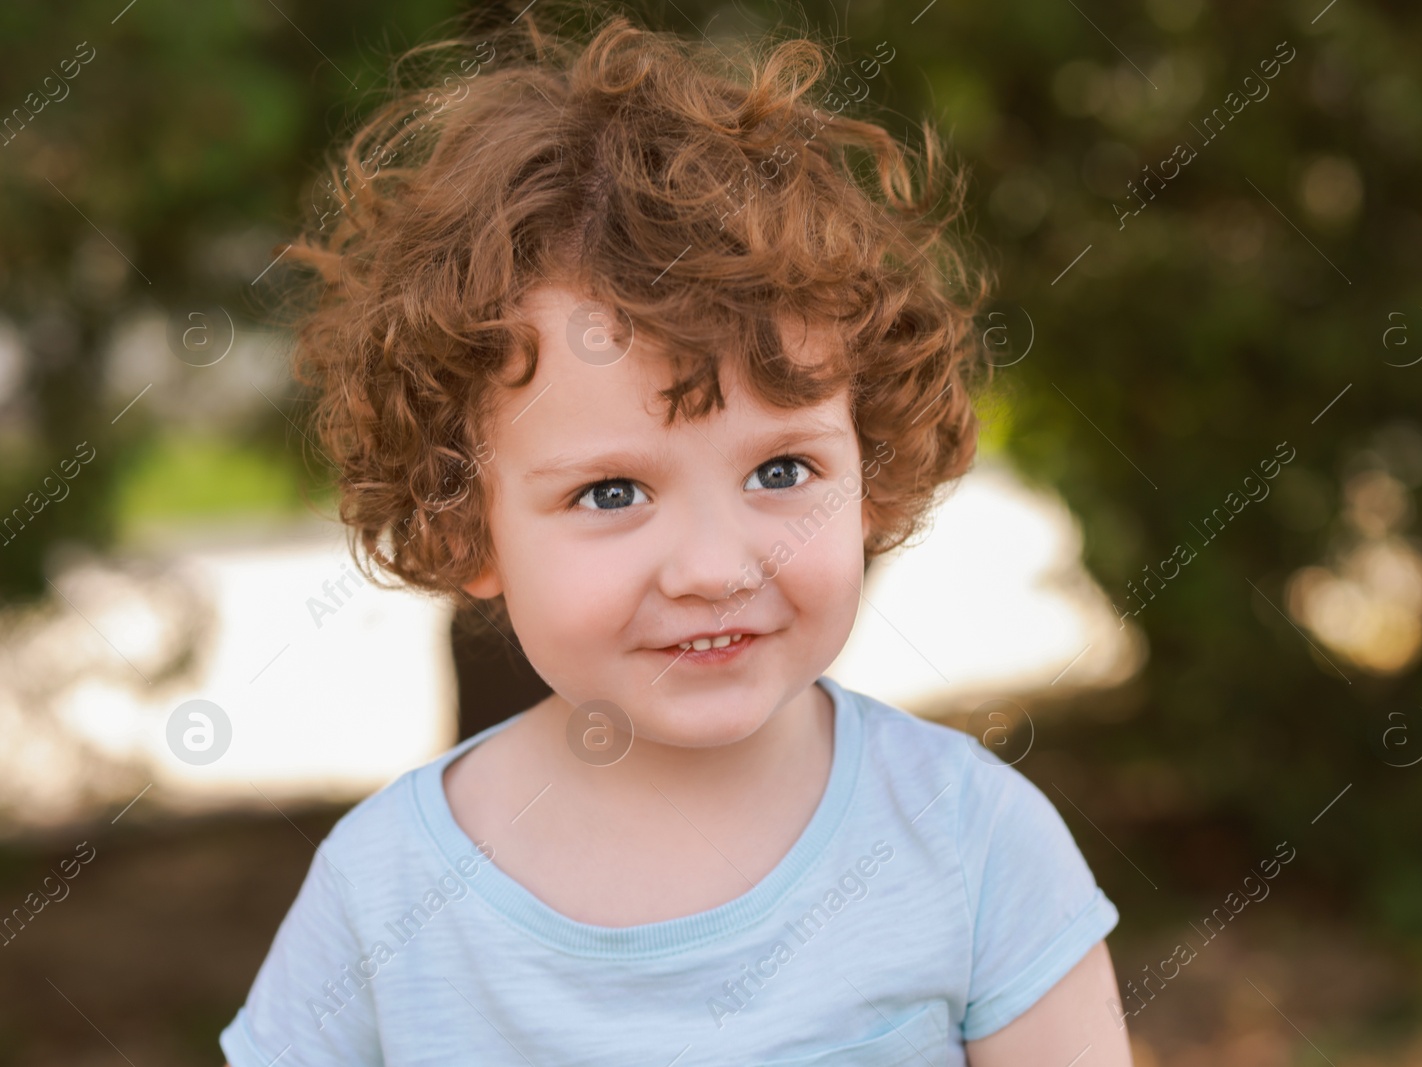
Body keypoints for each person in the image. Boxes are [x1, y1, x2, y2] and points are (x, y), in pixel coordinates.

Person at [221, 4, 1130, 1063]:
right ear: (465, 523)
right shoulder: (385, 896)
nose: (714, 567)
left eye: (781, 471)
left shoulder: (975, 845)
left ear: (870, 468)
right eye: (610, 492)